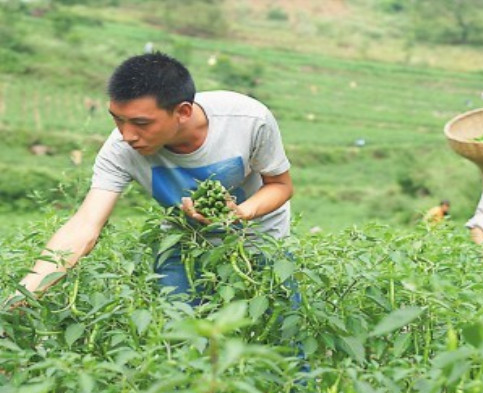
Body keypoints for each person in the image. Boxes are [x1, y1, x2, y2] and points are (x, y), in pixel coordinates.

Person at [8, 52, 293, 305]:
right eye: (118, 119)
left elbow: (280, 185)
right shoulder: (120, 150)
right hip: (183, 239)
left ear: (182, 112)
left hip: (258, 237)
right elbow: (85, 225)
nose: (127, 135)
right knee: (176, 337)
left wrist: (240, 212)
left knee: (281, 331)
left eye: (141, 123)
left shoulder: (247, 120)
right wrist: (22, 295)